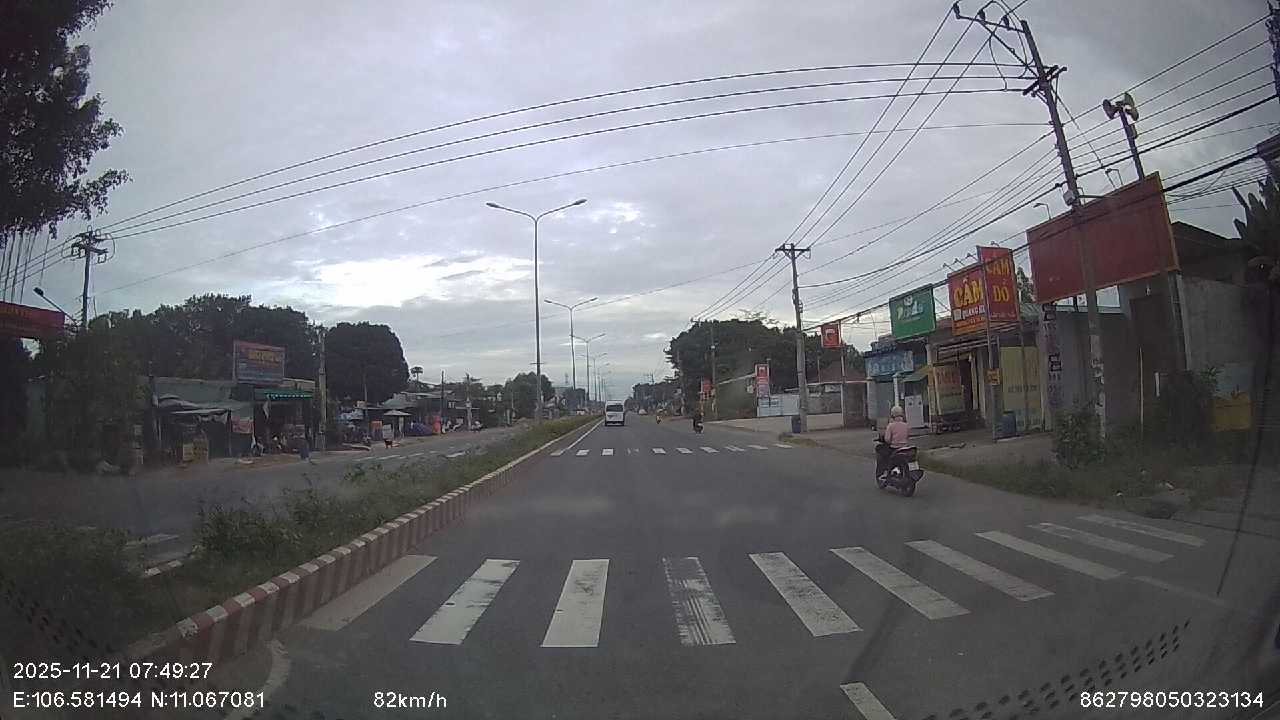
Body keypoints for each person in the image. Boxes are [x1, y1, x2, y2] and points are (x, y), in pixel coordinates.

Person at [876, 406, 911, 479]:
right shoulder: (906, 425)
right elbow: (908, 436)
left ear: (892, 415)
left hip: (894, 448)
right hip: (905, 448)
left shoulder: (891, 426)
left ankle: (884, 472)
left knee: (882, 453)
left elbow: (887, 439)